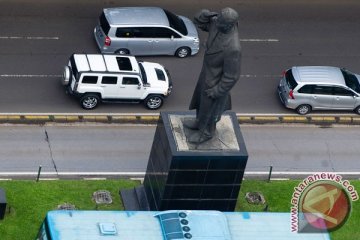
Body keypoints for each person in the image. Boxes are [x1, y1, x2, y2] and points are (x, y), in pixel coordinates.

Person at [184, 7, 242, 144]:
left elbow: (232, 76)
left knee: (209, 110)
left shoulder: (233, 48)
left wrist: (217, 91)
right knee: (200, 104)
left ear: (229, 25)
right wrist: (205, 14)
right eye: (218, 20)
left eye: (221, 23)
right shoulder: (218, 23)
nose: (216, 24)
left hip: (215, 84)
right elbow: (199, 22)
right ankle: (199, 122)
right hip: (206, 74)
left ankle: (206, 132)